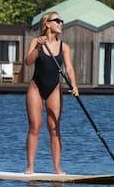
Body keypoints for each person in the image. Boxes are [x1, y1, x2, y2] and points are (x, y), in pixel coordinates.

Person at [24, 12, 78, 174]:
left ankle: (57, 168)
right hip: (36, 88)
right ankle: (30, 166)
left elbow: (69, 68)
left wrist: (74, 85)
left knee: (54, 129)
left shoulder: (64, 47)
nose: (61, 23)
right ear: (47, 24)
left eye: (61, 21)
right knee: (35, 126)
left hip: (54, 89)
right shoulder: (36, 41)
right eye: (57, 21)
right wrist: (38, 48)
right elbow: (28, 62)